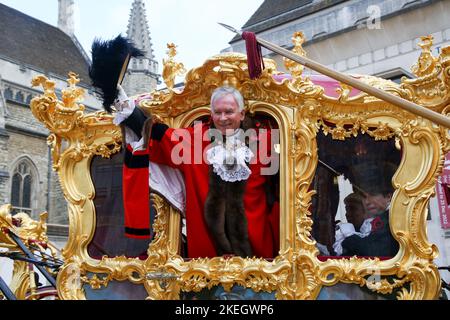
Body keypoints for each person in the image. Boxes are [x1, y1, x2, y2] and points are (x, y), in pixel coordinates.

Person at [114, 85, 279, 259]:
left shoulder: (265, 141)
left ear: (242, 114)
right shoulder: (195, 140)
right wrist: (127, 109)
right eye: (218, 112)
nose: (223, 118)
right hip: (206, 258)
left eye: (229, 112)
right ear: (211, 114)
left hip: (259, 252)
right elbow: (160, 137)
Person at [340, 162, 399, 257]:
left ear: (388, 197)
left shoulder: (393, 220)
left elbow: (375, 252)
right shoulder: (372, 221)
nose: (367, 201)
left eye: (372, 194)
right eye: (363, 196)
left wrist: (349, 236)